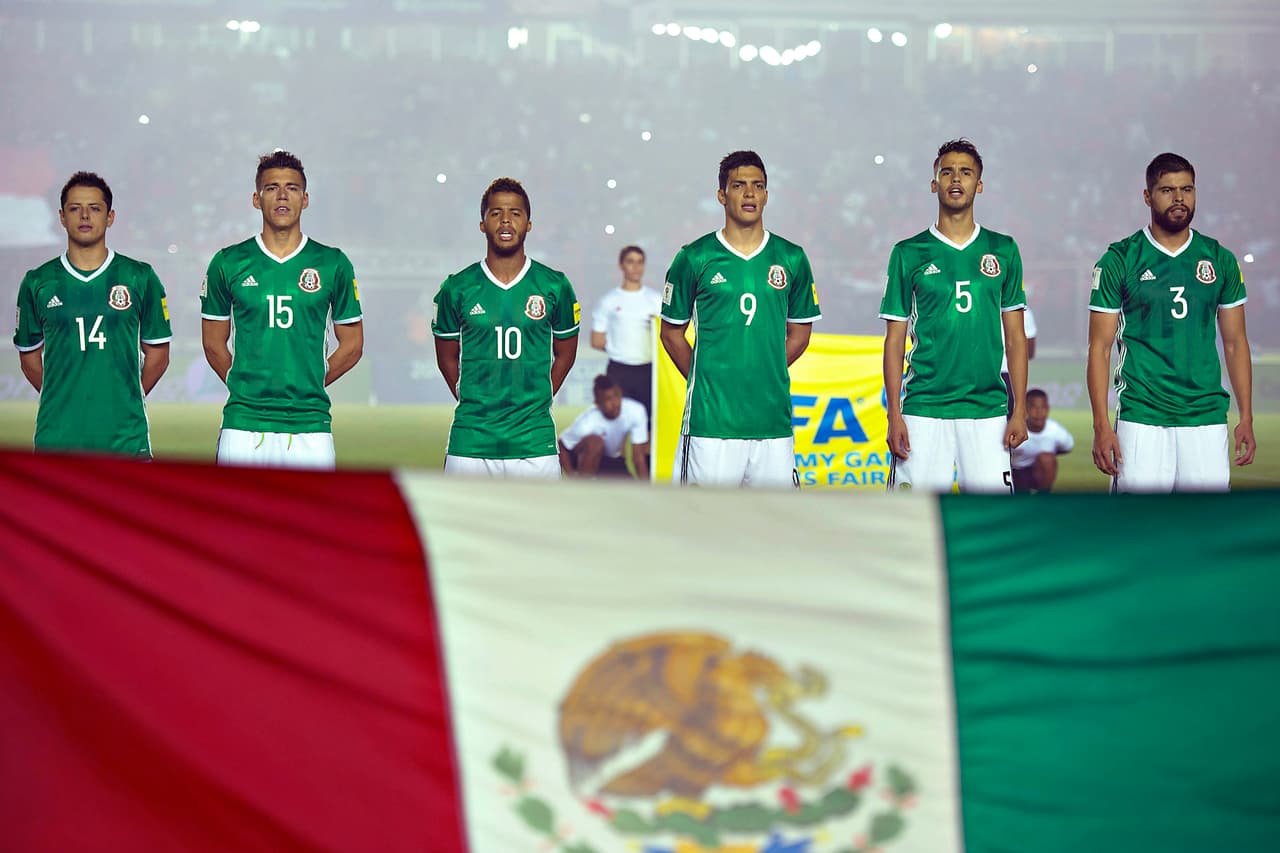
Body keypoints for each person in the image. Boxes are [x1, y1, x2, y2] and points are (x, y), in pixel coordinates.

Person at [1087, 152, 1254, 492]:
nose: (1179, 198)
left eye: (1187, 189)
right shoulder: (1121, 258)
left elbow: (1235, 343)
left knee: (1206, 531)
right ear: (1148, 196)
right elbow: (1099, 348)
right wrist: (1102, 426)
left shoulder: (1219, 258)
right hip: (1142, 417)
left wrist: (1246, 416)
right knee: (1138, 532)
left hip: (1206, 417)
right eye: (1167, 190)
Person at [659, 150, 821, 488]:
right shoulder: (694, 257)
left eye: (757, 186)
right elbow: (671, 333)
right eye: (738, 185)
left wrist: (766, 369)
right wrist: (707, 378)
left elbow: (800, 333)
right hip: (711, 423)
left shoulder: (792, 257)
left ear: (766, 194)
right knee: (704, 527)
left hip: (772, 422)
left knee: (775, 528)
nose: (749, 193)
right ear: (722, 195)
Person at [880, 138, 1029, 493]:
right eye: (947, 172)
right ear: (934, 184)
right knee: (910, 521)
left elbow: (1016, 338)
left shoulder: (1003, 250)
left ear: (979, 184)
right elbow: (895, 340)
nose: (955, 179)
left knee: (993, 526)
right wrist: (894, 414)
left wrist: (1019, 408)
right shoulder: (908, 252)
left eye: (965, 172)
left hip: (987, 410)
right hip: (924, 407)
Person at [200, 150, 364, 469]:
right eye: (272, 187)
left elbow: (353, 345)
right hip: (243, 422)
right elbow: (213, 343)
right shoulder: (228, 262)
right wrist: (246, 387)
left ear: (305, 199)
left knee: (312, 520)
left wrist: (310, 380)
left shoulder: (333, 263)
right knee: (235, 519)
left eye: (291, 187)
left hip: (310, 423)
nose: (282, 195)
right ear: (256, 198)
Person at [13, 171, 171, 457]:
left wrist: (127, 399)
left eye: (94, 208)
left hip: (125, 441)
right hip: (57, 440)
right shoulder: (37, 281)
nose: (85, 215)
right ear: (62, 217)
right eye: (75, 209)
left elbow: (159, 354)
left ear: (110, 217)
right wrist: (62, 398)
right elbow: (29, 358)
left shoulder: (140, 276)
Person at [432, 177, 579, 478]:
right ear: (482, 224)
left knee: (539, 527)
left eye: (515, 213)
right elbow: (446, 357)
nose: (506, 221)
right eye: (496, 213)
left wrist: (541, 395)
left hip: (534, 441)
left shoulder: (555, 285)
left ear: (529, 224)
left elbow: (565, 353)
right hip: (471, 442)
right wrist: (468, 395)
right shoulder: (457, 287)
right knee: (460, 526)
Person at [590, 245, 663, 420]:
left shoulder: (656, 300)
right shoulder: (608, 301)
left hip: (648, 370)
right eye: (630, 262)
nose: (636, 267)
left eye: (640, 262)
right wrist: (622, 348)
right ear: (621, 265)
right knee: (617, 421)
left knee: (648, 423)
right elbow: (597, 340)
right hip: (619, 371)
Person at [558, 374, 649, 480]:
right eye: (608, 399)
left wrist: (647, 489)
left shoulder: (636, 411)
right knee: (595, 442)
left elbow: (638, 457)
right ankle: (583, 487)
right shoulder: (587, 423)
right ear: (598, 403)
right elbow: (561, 445)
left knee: (629, 488)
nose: (615, 403)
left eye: (616, 395)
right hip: (582, 458)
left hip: (610, 459)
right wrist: (572, 476)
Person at [1011, 389, 1074, 493]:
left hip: (1037, 472)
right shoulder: (1014, 429)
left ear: (1048, 408)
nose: (1039, 412)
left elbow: (1067, 447)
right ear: (1025, 409)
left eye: (1043, 407)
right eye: (1034, 407)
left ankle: (1043, 498)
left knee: (1047, 459)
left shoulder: (1056, 431)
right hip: (1015, 473)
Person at [1002, 305, 1036, 414]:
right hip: (1011, 374)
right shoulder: (1024, 311)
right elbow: (1030, 352)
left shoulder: (981, 306)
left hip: (988, 372)